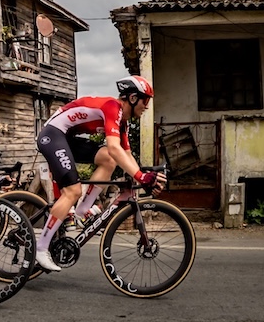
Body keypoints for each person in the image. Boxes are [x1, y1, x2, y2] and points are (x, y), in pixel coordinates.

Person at [33, 75, 167, 272]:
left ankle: (82, 211)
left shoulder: (123, 121)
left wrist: (142, 176)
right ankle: (41, 247)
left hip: (68, 138)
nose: (146, 106)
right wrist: (141, 176)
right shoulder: (113, 107)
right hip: (53, 134)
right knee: (72, 191)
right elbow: (114, 147)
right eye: (145, 101)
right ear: (132, 98)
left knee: (109, 160)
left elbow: (125, 154)